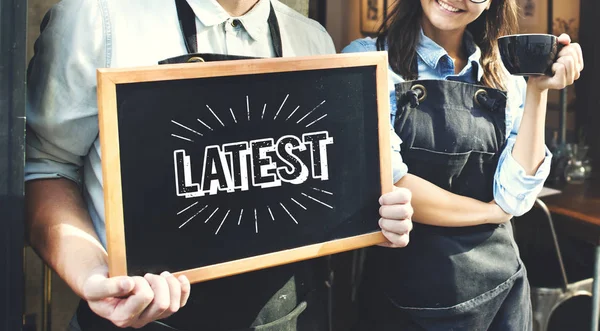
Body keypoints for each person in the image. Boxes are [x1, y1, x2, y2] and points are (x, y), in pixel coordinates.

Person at [24, 0, 414, 330]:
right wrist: (93, 274)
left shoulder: (312, 37)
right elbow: (46, 168)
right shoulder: (98, 17)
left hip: (288, 313)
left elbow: (326, 177)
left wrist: (373, 211)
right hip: (149, 315)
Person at [343, 0, 584, 329]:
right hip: (406, 294)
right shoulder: (366, 59)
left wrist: (537, 90)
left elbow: (515, 195)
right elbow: (389, 179)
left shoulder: (505, 72)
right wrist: (488, 213)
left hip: (501, 293)